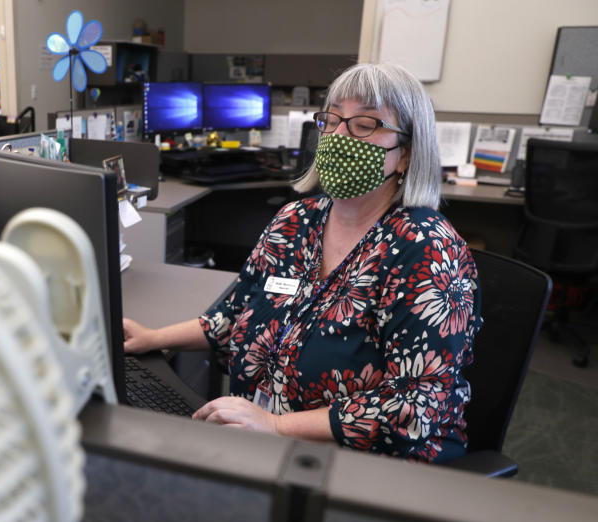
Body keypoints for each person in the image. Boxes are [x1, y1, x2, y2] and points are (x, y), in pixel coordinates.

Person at [123, 62, 482, 464]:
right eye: (332, 119)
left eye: (365, 124)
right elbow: (236, 314)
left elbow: (418, 407)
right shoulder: (296, 220)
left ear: (406, 154)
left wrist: (276, 426)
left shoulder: (427, 248)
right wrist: (153, 338)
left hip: (368, 467)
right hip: (260, 443)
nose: (340, 136)